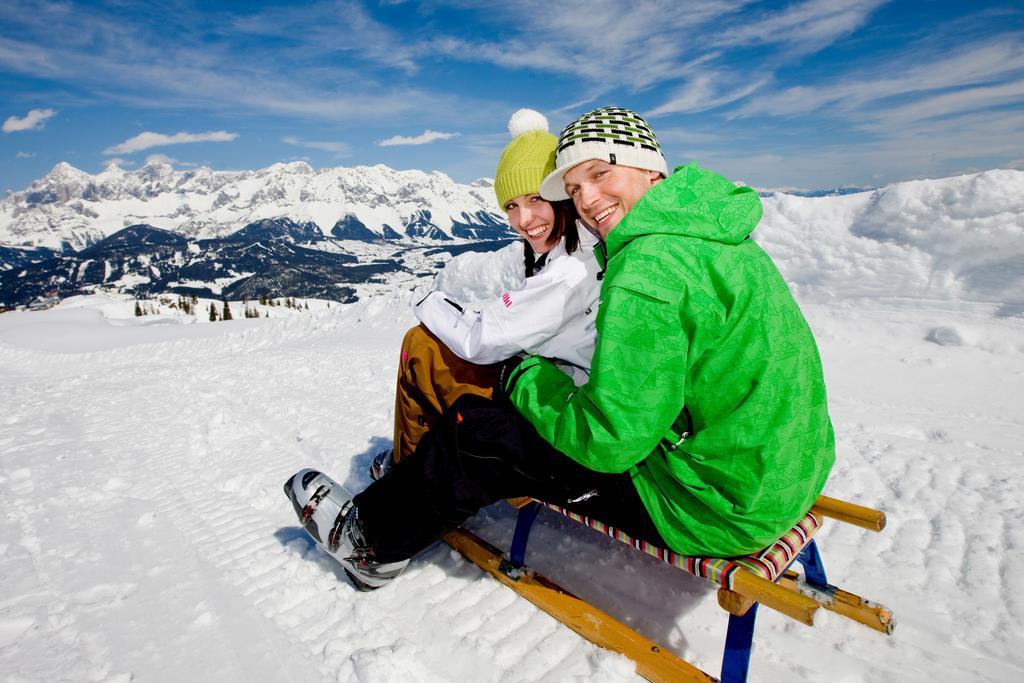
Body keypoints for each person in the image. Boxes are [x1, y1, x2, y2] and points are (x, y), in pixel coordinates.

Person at [285, 106, 835, 590]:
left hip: (713, 507)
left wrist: (524, 378)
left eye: (600, 173)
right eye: (574, 188)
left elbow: (608, 443)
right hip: (781, 475)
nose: (588, 199)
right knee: (526, 413)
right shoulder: (717, 234)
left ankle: (370, 544)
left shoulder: (648, 269)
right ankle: (416, 486)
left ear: (651, 167)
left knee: (480, 433)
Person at [380, 108, 601, 470]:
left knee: (420, 347)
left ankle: (411, 471)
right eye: (512, 206)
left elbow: (480, 341)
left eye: (535, 199)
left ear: (561, 195)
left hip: (562, 402)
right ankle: (425, 460)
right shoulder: (584, 247)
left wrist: (430, 302)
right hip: (563, 382)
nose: (523, 221)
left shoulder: (569, 270)